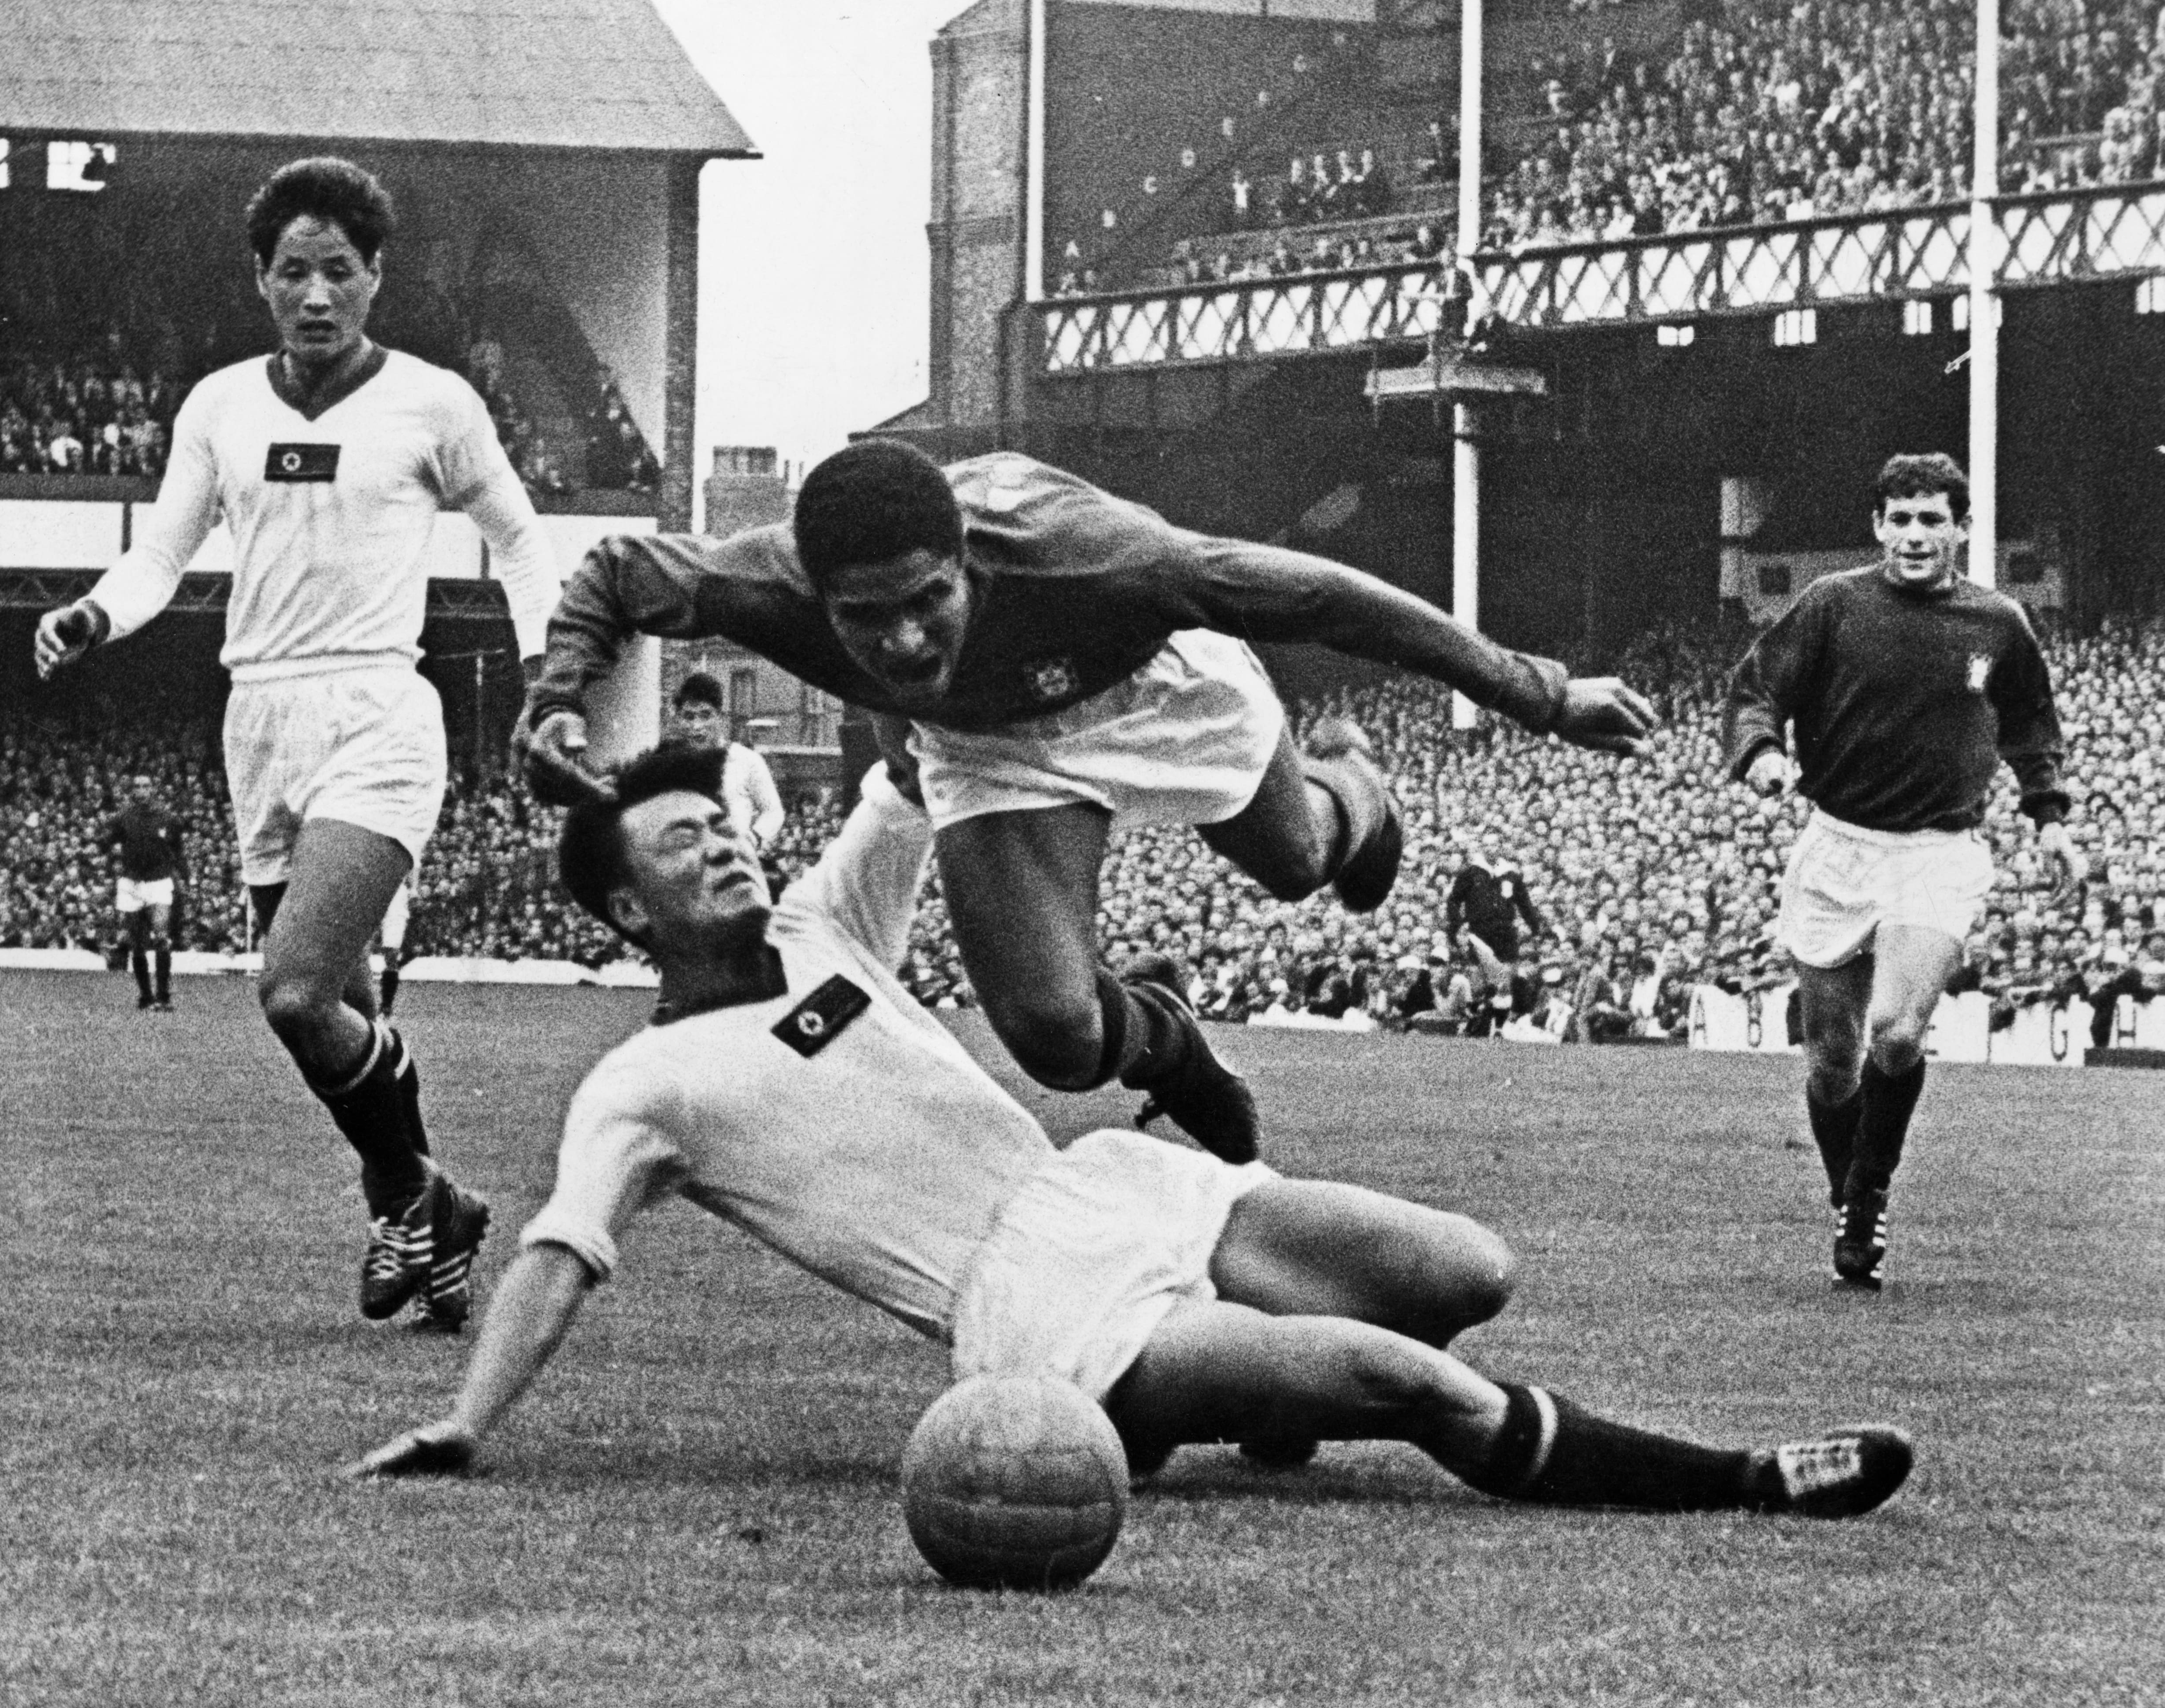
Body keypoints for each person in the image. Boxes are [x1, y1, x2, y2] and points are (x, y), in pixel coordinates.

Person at [351, 741, 1912, 1523]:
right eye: (683, 844)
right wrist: (472, 1419)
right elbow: (562, 1247)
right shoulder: (643, 1082)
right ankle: (1746, 1478)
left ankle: (1232, 1393)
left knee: (1466, 1270)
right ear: (630, 904)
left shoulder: (830, 925)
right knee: (1408, 1379)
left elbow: (919, 758)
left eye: (722, 823)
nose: (723, 848)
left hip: (1111, 1180)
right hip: (1030, 1309)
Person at [518, 439, 1658, 1166]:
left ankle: (1350, 787)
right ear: (818, 597)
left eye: (928, 600)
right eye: (868, 618)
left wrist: (1540, 693)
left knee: (1297, 862)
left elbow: (1330, 598)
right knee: (1056, 1041)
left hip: (1148, 689)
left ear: (967, 561)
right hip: (990, 745)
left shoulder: (1102, 563)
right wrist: (559, 693)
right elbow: (617, 571)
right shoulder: (763, 586)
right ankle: (1174, 1050)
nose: (904, 636)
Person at [32, 157, 562, 1330]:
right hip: (256, 718)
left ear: (376, 277)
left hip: (376, 711)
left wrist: (547, 677)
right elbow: (161, 557)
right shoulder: (219, 404)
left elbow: (523, 543)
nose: (315, 293)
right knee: (343, 1000)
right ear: (259, 281)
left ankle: (412, 1197)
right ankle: (431, 1209)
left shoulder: (434, 402)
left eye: (338, 271)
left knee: (294, 990)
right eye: (292, 272)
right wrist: (90, 613)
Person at [1725, 453, 2079, 1292]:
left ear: (1959, 526)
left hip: (1936, 852)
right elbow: (1754, 691)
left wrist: (2051, 820)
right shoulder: (1830, 606)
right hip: (1836, 845)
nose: (1915, 535)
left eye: (1932, 520)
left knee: (1895, 1032)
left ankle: (1868, 1196)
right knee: (1830, 1062)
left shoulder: (1996, 623)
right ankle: (1848, 1194)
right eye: (1900, 519)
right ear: (1878, 526)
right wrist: (1763, 754)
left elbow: (2032, 724)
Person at [668, 670, 783, 851]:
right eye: (689, 717)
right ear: (679, 719)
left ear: (720, 717)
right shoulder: (669, 765)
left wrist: (752, 839)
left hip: (732, 861)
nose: (697, 727)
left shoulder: (747, 761)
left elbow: (773, 812)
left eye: (706, 716)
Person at [102, 773, 183, 1011]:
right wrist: (113, 861)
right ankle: (146, 997)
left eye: (146, 786)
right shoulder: (123, 818)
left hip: (158, 882)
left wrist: (182, 877)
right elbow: (107, 843)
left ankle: (164, 996)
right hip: (132, 884)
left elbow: (178, 850)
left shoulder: (168, 818)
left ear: (153, 789)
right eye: (137, 786)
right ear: (133, 791)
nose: (142, 790)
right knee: (137, 943)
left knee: (161, 937)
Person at [1446, 849, 1545, 996]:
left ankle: (1504, 1008)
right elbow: (1453, 900)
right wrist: (1458, 924)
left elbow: (1525, 905)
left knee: (1506, 977)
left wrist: (1535, 929)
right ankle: (1481, 1008)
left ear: (1500, 847)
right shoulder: (1470, 874)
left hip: (1505, 933)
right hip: (1479, 932)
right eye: (1488, 845)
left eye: (1494, 844)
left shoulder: (1511, 875)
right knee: (1479, 979)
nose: (1491, 848)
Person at [377, 880, 410, 1021]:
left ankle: (386, 1006)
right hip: (379, 899)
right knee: (387, 958)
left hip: (395, 906)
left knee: (391, 957)